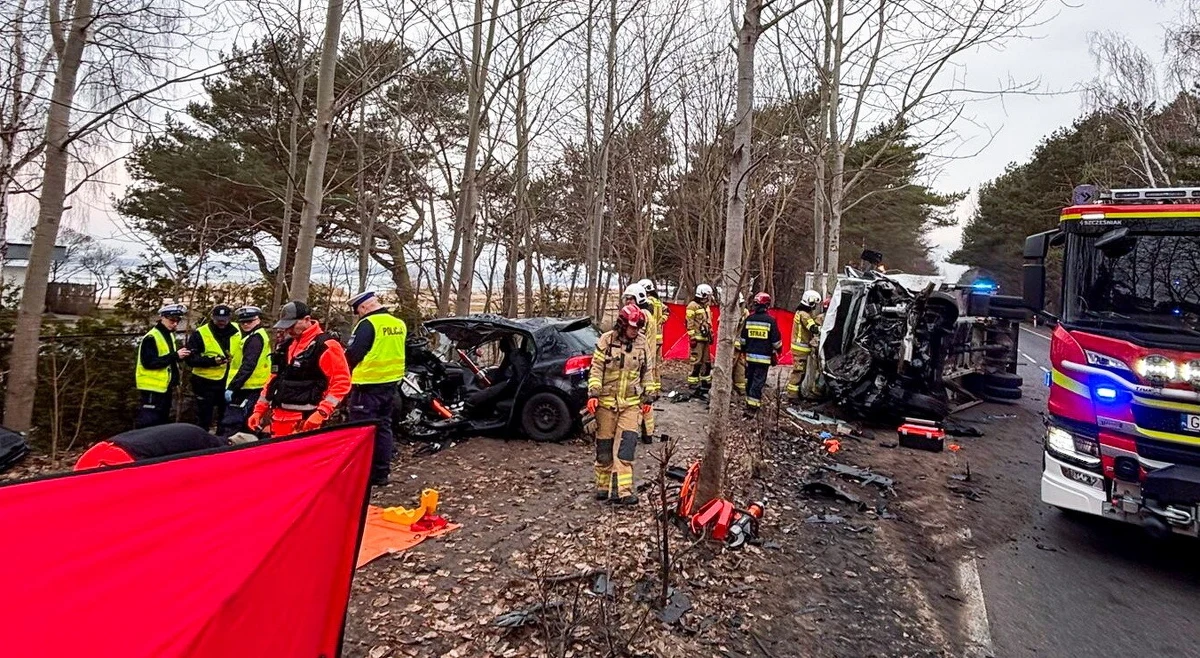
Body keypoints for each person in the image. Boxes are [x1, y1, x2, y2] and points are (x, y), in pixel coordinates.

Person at [248, 301, 352, 439]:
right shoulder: (287, 346)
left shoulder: (326, 345)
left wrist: (322, 412)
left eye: (292, 325)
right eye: (286, 326)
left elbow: (341, 382)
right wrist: (259, 410)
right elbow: (274, 380)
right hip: (279, 419)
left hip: (307, 420)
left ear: (307, 320)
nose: (288, 330)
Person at [587, 304, 654, 505]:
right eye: (633, 327)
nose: (636, 332)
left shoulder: (641, 343)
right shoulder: (606, 340)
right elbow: (596, 368)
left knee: (626, 448)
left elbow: (647, 372)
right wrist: (594, 393)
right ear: (622, 324)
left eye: (638, 328)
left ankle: (624, 491)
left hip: (631, 405)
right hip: (606, 404)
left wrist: (649, 395)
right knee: (605, 448)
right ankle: (603, 487)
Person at [345, 291, 407, 486]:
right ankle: (380, 474)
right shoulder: (398, 323)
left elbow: (354, 354)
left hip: (367, 386)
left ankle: (360, 474)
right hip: (390, 385)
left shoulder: (367, 324)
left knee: (361, 431)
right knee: (383, 428)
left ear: (363, 308)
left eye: (358, 311)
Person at [135, 304, 191, 429]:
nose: (175, 324)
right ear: (162, 318)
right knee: (149, 422)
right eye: (172, 320)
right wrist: (175, 356)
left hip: (164, 387)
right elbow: (149, 363)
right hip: (152, 387)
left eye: (177, 321)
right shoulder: (151, 337)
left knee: (161, 422)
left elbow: (168, 359)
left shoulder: (169, 335)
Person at [185, 305, 238, 432]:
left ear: (229, 318)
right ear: (212, 318)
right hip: (204, 383)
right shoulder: (201, 333)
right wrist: (212, 361)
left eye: (224, 319)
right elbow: (190, 359)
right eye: (218, 319)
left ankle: (221, 442)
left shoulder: (237, 329)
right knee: (204, 418)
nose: (221, 322)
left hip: (228, 381)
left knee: (226, 418)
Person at [220, 306, 272, 437]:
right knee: (245, 423)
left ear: (258, 320)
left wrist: (233, 386)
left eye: (250, 321)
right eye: (243, 322)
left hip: (248, 387)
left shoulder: (255, 339)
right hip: (249, 386)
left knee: (235, 424)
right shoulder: (254, 335)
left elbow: (248, 365)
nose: (246, 324)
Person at [622, 284, 660, 438]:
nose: (627, 302)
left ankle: (636, 432)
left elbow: (636, 339)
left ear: (638, 298)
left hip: (641, 360)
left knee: (637, 398)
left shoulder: (640, 315)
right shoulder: (647, 313)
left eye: (630, 299)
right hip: (647, 358)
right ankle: (648, 433)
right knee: (646, 398)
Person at [737, 292, 783, 414]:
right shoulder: (770, 321)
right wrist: (778, 350)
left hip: (750, 357)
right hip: (764, 359)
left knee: (750, 379)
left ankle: (749, 401)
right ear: (767, 305)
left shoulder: (749, 319)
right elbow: (776, 341)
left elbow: (743, 340)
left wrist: (743, 351)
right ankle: (753, 407)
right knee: (758, 381)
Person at [788, 290, 823, 403]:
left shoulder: (801, 313)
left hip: (801, 348)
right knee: (798, 372)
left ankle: (797, 394)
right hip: (800, 349)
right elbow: (812, 328)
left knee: (801, 372)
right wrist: (825, 330)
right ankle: (792, 396)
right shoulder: (804, 315)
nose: (815, 306)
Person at [685, 284, 714, 392]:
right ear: (703, 294)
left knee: (706, 362)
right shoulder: (692, 306)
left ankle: (705, 381)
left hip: (705, 338)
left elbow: (708, 321)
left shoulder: (706, 307)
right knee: (696, 362)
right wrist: (692, 337)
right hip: (697, 340)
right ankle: (693, 382)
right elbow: (689, 323)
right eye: (708, 296)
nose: (709, 298)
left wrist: (711, 334)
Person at [638, 278, 668, 354]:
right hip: (658, 337)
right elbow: (667, 311)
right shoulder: (657, 301)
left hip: (649, 337)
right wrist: (662, 320)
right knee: (655, 363)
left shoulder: (647, 302)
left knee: (648, 361)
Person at [732, 294, 749, 395]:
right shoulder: (743, 312)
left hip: (737, 345)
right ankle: (738, 388)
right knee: (734, 366)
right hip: (736, 344)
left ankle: (740, 388)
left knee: (740, 367)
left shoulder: (744, 312)